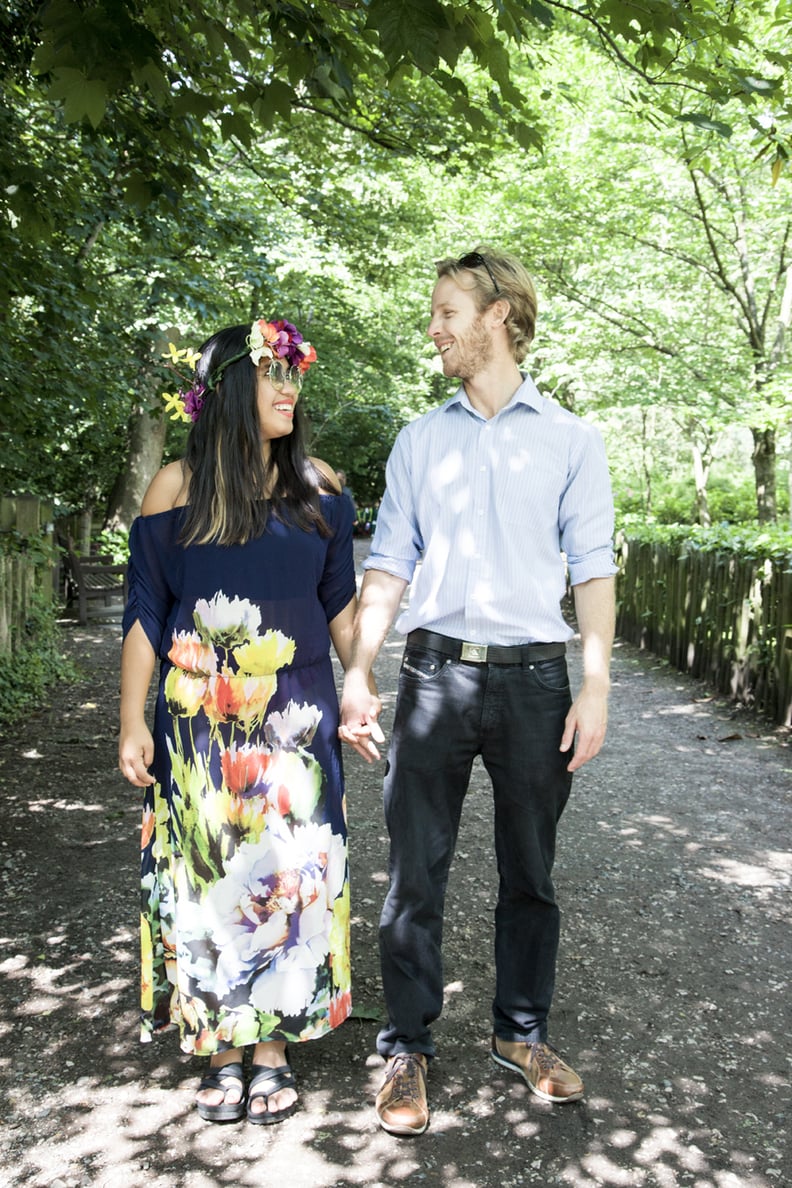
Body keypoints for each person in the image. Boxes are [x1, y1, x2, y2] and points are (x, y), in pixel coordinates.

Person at [339, 248, 617, 1136]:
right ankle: (407, 1049)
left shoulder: (573, 440)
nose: (435, 327)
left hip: (538, 679)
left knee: (530, 874)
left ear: (499, 313)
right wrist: (359, 670)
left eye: (448, 309)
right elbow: (386, 566)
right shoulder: (421, 441)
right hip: (432, 673)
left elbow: (594, 571)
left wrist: (596, 687)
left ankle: (520, 1034)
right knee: (415, 873)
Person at [118, 317, 359, 1126]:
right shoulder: (175, 489)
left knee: (287, 878)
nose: (290, 390)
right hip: (198, 725)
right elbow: (147, 613)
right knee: (208, 875)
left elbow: (341, 610)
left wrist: (360, 687)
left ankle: (271, 1050)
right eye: (272, 374)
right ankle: (221, 1051)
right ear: (228, 389)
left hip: (297, 723)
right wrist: (130, 721)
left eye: (295, 375)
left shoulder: (319, 487)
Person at [335, 470, 359, 534]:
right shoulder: (346, 491)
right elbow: (352, 506)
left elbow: (352, 505)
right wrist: (355, 519)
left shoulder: (346, 492)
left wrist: (354, 518)